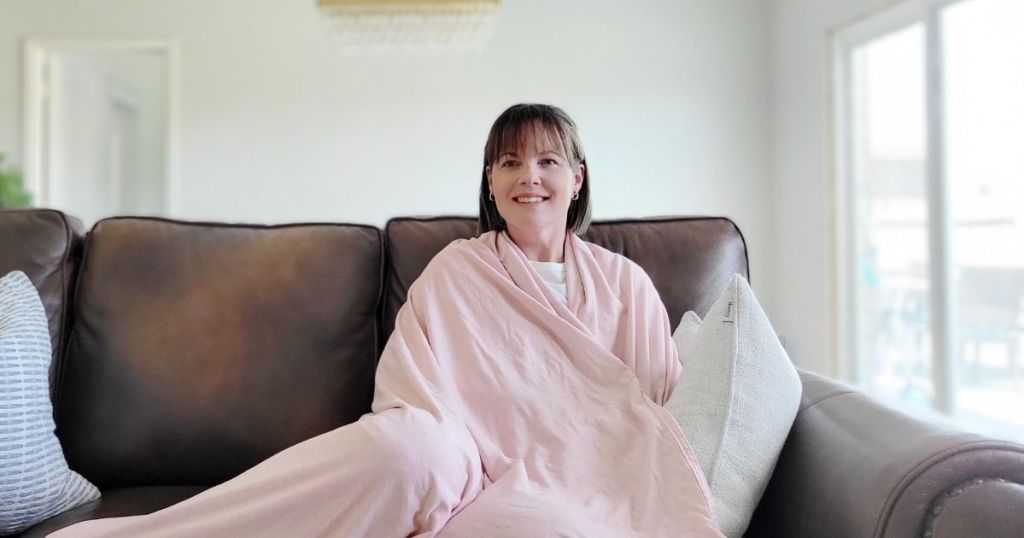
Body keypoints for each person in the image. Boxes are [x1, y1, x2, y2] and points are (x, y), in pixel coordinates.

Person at [49, 104, 722, 537]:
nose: (530, 177)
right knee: (397, 451)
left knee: (543, 526)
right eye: (510, 162)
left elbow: (654, 413)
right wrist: (461, 458)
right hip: (454, 465)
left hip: (578, 483)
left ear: (577, 178)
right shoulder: (459, 271)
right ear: (491, 182)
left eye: (548, 161)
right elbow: (413, 396)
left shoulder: (626, 284)